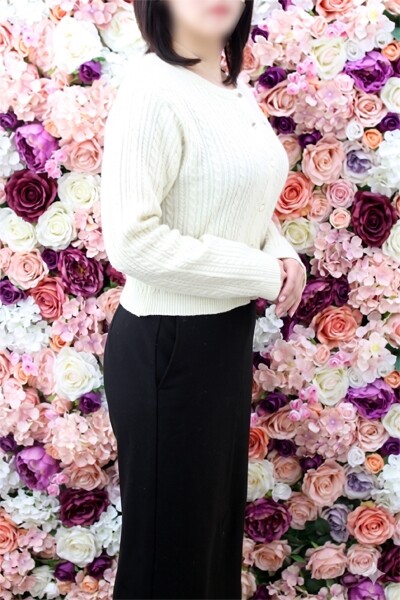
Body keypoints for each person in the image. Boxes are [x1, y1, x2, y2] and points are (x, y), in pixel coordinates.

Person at [100, 0, 306, 598]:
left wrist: (280, 250)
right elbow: (134, 242)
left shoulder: (227, 83)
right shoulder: (152, 91)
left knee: (209, 545)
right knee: (168, 562)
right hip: (169, 348)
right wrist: (262, 273)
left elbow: (241, 194)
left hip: (221, 339)